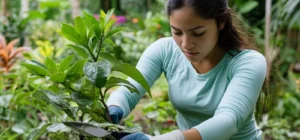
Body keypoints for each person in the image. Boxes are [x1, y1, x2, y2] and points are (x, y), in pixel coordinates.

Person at [107, 0, 268, 139]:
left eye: (198, 33)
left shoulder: (248, 62)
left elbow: (228, 121)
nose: (185, 44)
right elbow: (128, 91)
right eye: (177, 32)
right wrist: (114, 107)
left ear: (221, 22)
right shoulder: (164, 50)